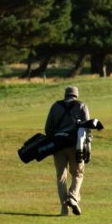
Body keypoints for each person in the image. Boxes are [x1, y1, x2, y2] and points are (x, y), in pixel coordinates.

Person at [44, 86, 90, 216]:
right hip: (76, 146)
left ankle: (64, 210)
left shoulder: (55, 106)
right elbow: (87, 128)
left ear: (65, 95)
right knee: (78, 174)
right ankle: (73, 197)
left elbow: (48, 128)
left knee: (61, 178)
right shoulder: (82, 106)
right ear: (76, 95)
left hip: (58, 146)